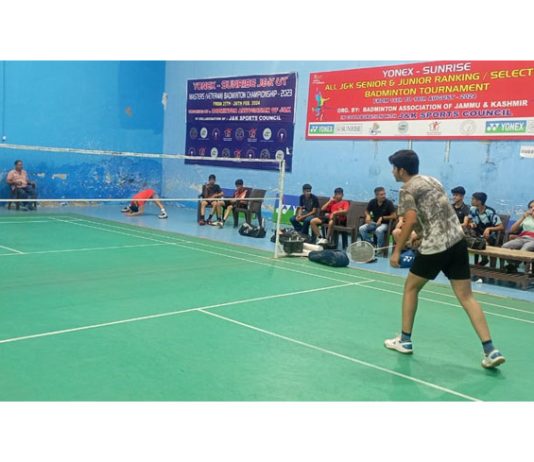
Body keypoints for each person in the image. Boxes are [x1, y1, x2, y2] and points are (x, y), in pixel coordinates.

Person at [385, 149, 505, 369]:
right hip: (457, 242)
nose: (392, 171)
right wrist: (420, 235)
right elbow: (434, 213)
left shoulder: (406, 190)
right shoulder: (432, 180)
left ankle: (404, 340)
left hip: (436, 247)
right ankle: (490, 350)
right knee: (467, 296)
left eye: (394, 167)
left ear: (401, 170)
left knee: (411, 288)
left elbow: (410, 220)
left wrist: (396, 251)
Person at [467, 192, 504, 266]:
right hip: (478, 235)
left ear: (479, 201)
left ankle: (484, 260)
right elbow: (470, 221)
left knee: (480, 243)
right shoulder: (473, 209)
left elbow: (501, 227)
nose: (471, 200)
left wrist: (489, 229)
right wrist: (471, 224)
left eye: (473, 199)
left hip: (491, 237)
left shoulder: (490, 212)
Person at [501, 199, 534, 273]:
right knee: (505, 247)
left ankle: (514, 265)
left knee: (526, 248)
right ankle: (512, 264)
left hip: (533, 240)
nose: (532, 209)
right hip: (523, 238)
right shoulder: (526, 218)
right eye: (531, 207)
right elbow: (512, 230)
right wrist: (523, 217)